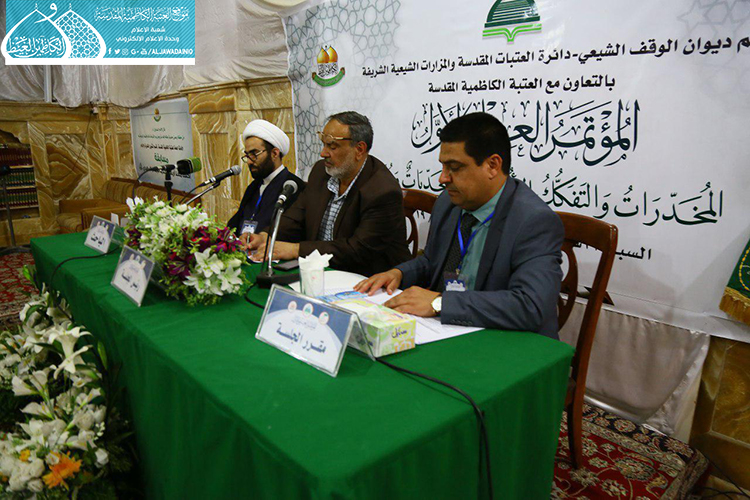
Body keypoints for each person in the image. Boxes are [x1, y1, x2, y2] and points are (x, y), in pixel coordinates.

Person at [354, 112, 564, 339]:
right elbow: (432, 261)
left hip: (507, 341)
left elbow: (530, 305)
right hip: (448, 330)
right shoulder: (449, 202)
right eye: (443, 167)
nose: (443, 178)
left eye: (454, 167)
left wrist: (440, 303)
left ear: (492, 165)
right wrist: (398, 273)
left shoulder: (534, 221)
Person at [248, 111, 412, 276]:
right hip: (321, 271)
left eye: (332, 147)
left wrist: (296, 250)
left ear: (359, 149)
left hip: (368, 277)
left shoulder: (382, 191)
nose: (323, 153)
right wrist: (266, 236)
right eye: (324, 144)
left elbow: (357, 250)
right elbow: (297, 217)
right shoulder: (321, 172)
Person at [227, 120, 304, 243]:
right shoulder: (254, 187)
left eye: (254, 154)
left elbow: (288, 232)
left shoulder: (292, 187)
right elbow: (234, 224)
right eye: (247, 155)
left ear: (274, 153)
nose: (249, 161)